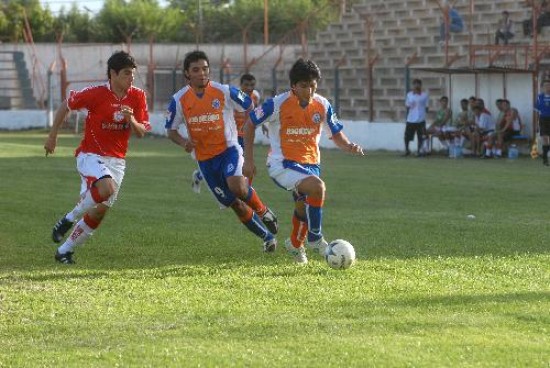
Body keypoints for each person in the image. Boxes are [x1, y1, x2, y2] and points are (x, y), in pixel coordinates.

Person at [242, 58, 364, 264]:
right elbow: (250, 124)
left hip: (310, 164)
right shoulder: (278, 104)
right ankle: (316, 238)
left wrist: (349, 145)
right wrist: (248, 160)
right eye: (304, 86)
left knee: (303, 207)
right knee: (318, 188)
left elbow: (335, 134)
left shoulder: (322, 105)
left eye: (313, 86)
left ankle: (295, 245)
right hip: (282, 164)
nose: (309, 90)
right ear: (293, 86)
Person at [165, 50, 279, 252]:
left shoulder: (224, 91)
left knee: (237, 187)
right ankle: (267, 237)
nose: (202, 73)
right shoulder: (179, 100)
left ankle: (263, 211)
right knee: (235, 204)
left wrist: (251, 124)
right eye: (196, 69)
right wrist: (184, 142)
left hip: (229, 149)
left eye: (205, 69)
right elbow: (171, 131)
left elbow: (249, 104)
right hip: (205, 160)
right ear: (187, 74)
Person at [44, 50, 151, 264]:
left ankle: (64, 251)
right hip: (90, 155)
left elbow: (141, 132)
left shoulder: (137, 96)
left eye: (133, 74)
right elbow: (66, 105)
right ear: (112, 73)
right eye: (126, 74)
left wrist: (131, 120)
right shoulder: (96, 93)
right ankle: (67, 220)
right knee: (106, 188)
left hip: (118, 161)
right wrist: (53, 136)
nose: (131, 78)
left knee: (98, 211)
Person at [190, 72, 264, 193]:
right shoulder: (232, 96)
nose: (249, 88)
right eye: (246, 85)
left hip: (245, 136)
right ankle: (199, 175)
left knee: (246, 163)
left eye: (252, 85)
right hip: (230, 137)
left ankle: (247, 189)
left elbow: (257, 110)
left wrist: (263, 124)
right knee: (223, 166)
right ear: (241, 85)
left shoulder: (255, 96)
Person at [404, 78, 429, 156]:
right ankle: (407, 150)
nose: (417, 86)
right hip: (411, 119)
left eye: (418, 84)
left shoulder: (424, 95)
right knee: (407, 136)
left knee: (420, 136)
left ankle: (419, 151)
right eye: (415, 84)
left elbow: (427, 107)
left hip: (421, 119)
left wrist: (425, 113)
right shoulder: (409, 95)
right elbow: (407, 106)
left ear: (421, 85)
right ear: (413, 85)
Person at [535, 79, 550, 165]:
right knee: (545, 138)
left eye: (549, 85)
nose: (548, 87)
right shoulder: (540, 97)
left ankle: (544, 153)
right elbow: (537, 111)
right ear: (542, 87)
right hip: (543, 119)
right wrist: (537, 123)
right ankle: (545, 159)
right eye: (546, 85)